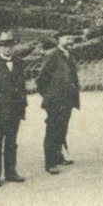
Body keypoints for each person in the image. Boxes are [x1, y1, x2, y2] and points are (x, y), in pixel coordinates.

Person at [0, 31, 29, 186]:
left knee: (11, 143)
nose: (8, 49)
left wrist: (22, 108)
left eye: (10, 46)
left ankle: (11, 172)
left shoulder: (19, 62)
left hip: (15, 111)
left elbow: (22, 87)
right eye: (4, 46)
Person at [36, 30, 81, 174]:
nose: (70, 40)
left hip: (67, 100)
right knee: (52, 131)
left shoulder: (68, 54)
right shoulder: (52, 56)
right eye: (67, 38)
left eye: (71, 37)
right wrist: (49, 96)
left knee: (62, 129)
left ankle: (58, 156)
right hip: (55, 101)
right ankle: (49, 163)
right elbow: (41, 80)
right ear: (59, 39)